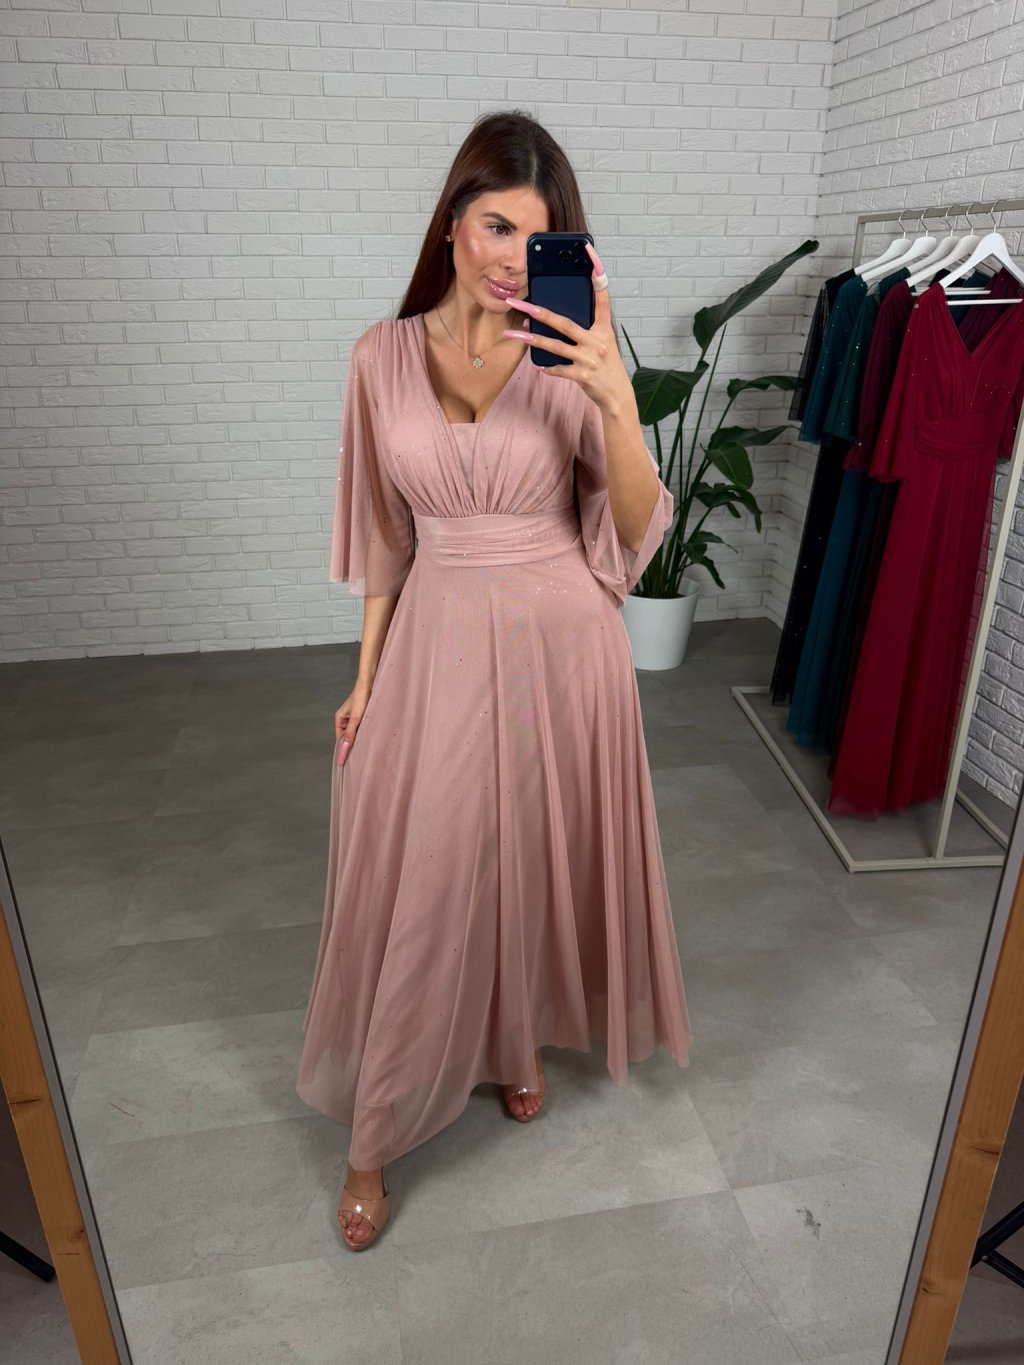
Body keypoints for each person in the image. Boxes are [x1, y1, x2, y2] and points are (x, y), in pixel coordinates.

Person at [296, 109, 692, 1252]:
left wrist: (614, 399)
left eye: (539, 232)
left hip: (564, 646)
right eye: (494, 225)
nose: (514, 255)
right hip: (437, 643)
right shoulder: (379, 357)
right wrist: (365, 678)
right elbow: (387, 540)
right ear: (452, 224)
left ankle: (515, 1044)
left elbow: (634, 534)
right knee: (430, 872)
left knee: (525, 856)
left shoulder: (574, 355)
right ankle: (373, 1134)